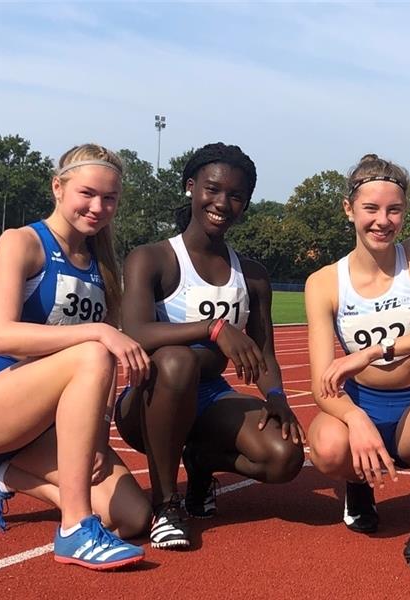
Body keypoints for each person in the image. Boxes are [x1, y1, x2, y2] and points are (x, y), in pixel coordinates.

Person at [0, 144, 151, 571]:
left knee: (132, 517)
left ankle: (3, 474)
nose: (98, 207)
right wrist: (99, 330)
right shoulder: (22, 242)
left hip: (49, 421)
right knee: (93, 351)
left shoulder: (104, 265)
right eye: (87, 194)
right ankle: (75, 528)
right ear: (58, 187)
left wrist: (95, 441)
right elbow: (1, 336)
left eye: (109, 198)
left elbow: (104, 374)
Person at [115, 142, 305, 550]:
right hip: (147, 399)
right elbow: (134, 332)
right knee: (177, 363)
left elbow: (265, 350)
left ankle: (200, 460)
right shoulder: (153, 258)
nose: (222, 203)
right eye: (213, 190)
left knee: (285, 455)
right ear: (191, 187)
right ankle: (167, 503)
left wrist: (276, 397)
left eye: (236, 196)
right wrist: (214, 329)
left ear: (246, 204)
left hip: (211, 398)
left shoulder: (251, 275)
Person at [305, 154, 410, 568]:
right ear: (349, 210)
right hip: (363, 404)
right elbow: (322, 384)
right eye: (371, 209)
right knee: (325, 446)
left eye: (394, 209)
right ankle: (356, 484)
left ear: (405, 212)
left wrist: (379, 350)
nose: (383, 220)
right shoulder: (324, 282)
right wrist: (356, 419)